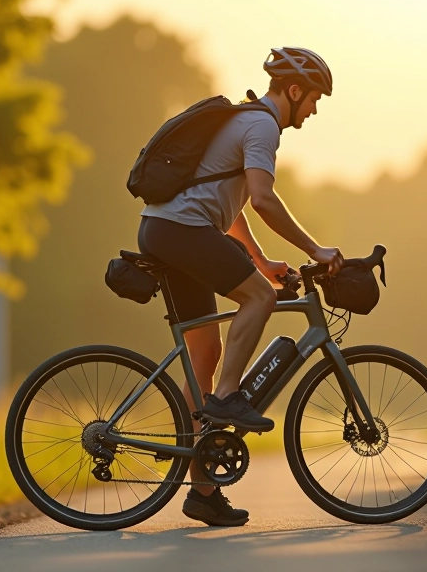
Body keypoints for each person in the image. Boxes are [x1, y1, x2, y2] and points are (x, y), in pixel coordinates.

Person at [137, 47, 344, 526]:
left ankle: (203, 492)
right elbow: (264, 199)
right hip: (182, 230)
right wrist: (317, 251)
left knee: (204, 354)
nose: (313, 111)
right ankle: (228, 396)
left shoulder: (250, 122)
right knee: (261, 297)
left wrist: (262, 259)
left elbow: (233, 205)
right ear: (294, 91)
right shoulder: (263, 126)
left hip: (171, 227)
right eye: (314, 100)